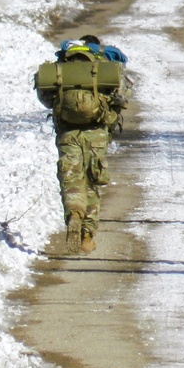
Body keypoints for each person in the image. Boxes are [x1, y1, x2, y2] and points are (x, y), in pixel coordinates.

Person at [43, 34, 129, 255]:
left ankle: (74, 213)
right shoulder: (104, 66)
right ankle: (87, 235)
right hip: (97, 132)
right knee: (91, 180)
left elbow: (46, 98)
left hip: (67, 131)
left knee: (71, 176)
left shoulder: (62, 66)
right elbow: (120, 98)